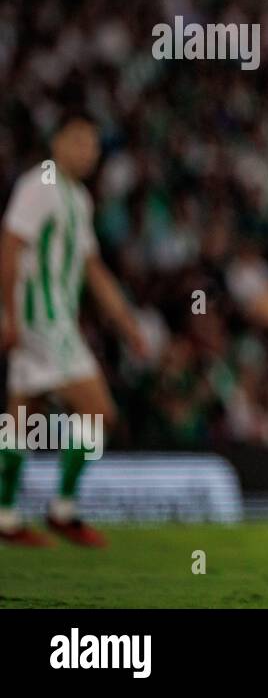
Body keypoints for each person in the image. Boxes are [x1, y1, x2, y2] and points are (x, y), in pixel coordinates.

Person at [0, 113, 147, 547]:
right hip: (42, 320)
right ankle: (63, 510)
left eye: (92, 145)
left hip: (48, 320)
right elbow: (8, 248)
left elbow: (92, 268)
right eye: (78, 141)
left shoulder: (77, 197)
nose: (86, 151)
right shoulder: (39, 185)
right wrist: (7, 315)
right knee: (100, 412)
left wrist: (125, 322)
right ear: (57, 141)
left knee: (23, 419)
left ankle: (6, 516)